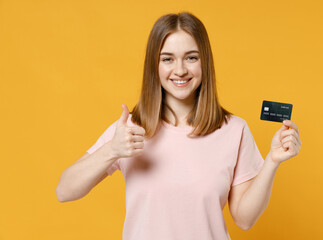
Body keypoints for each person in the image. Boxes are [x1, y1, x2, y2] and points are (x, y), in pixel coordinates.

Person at [56, 11, 302, 240]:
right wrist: (112, 149)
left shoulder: (234, 130)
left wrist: (272, 160)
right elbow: (64, 191)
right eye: (168, 59)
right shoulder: (130, 129)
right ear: (155, 65)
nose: (180, 70)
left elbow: (245, 219)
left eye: (191, 58)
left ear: (204, 61)